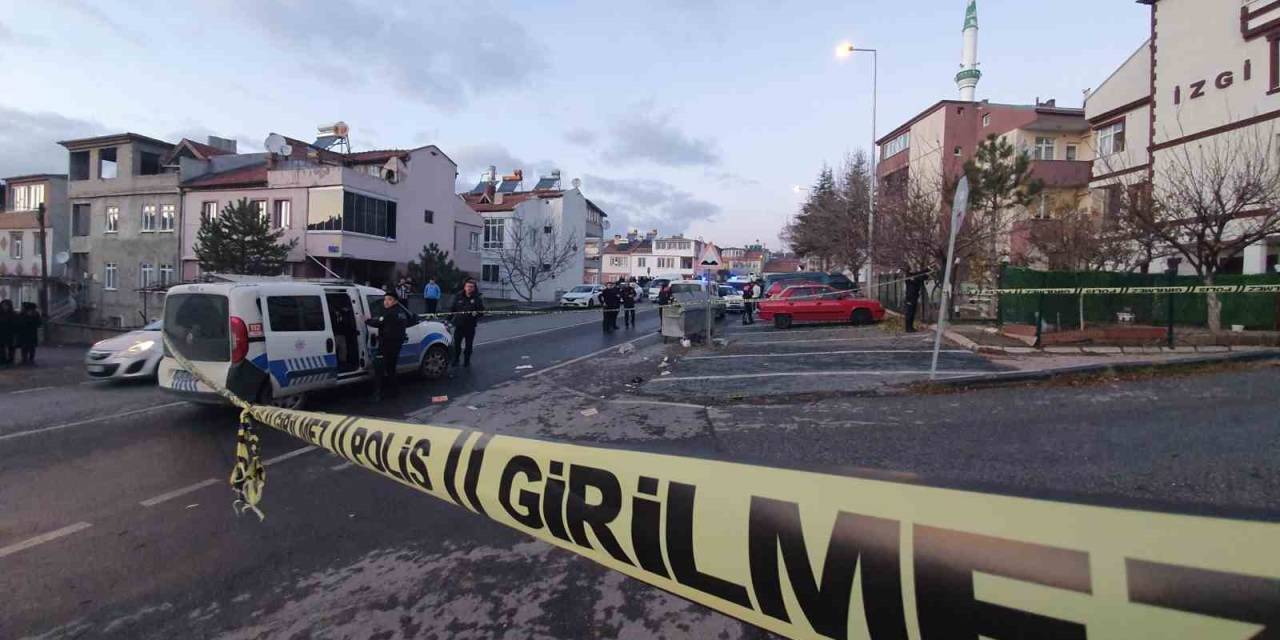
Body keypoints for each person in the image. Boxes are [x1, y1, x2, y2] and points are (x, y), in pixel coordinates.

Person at [364, 292, 410, 399]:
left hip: (386, 345)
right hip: (396, 345)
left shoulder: (389, 313)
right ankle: (394, 392)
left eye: (389, 299)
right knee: (391, 369)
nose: (386, 302)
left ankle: (377, 394)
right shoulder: (401, 313)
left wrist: (367, 320)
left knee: (379, 369)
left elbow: (379, 322)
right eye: (385, 300)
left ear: (395, 301)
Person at [450, 279, 485, 367]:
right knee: (456, 344)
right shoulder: (459, 296)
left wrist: (476, 314)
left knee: (468, 345)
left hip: (470, 325)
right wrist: (448, 320)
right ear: (465, 287)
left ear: (474, 288)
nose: (469, 288)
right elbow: (452, 309)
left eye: (471, 287)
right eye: (468, 286)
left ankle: (467, 360)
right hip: (459, 325)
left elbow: (481, 311)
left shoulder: (477, 298)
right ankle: (456, 359)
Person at [903, 269, 930, 333]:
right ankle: (908, 328)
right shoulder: (909, 279)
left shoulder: (915, 278)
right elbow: (920, 277)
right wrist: (926, 273)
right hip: (910, 298)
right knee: (909, 313)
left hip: (914, 298)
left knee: (912, 313)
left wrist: (927, 270)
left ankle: (911, 327)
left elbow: (921, 275)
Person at [0, 299, 14, 366]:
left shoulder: (12, 314)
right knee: (1, 347)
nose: (5, 307)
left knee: (11, 347)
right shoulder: (1, 313)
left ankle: (10, 360)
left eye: (6, 305)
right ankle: (3, 360)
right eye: (3, 305)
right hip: (1, 333)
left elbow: (15, 323)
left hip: (10, 333)